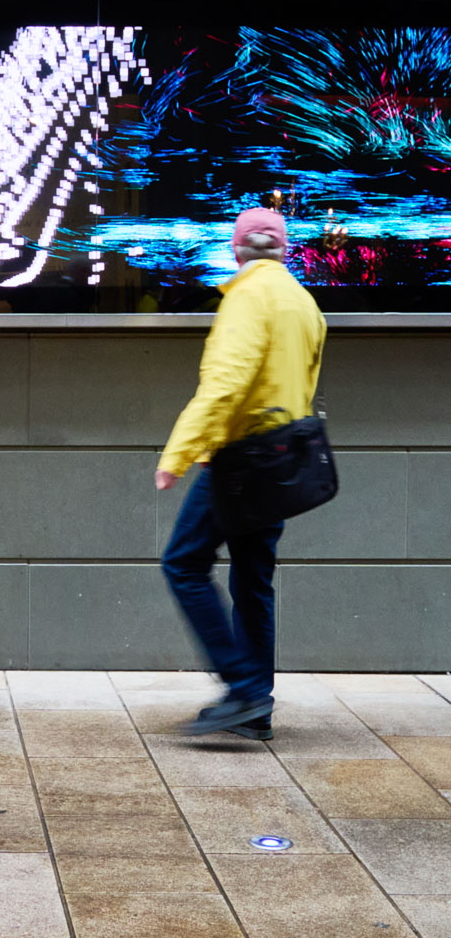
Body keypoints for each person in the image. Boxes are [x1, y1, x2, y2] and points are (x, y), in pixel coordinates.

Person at [154, 207, 325, 740]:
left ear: (235, 250)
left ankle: (244, 688)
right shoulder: (304, 302)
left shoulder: (246, 298)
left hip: (239, 459)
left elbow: (224, 386)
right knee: (253, 580)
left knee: (183, 563)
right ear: (285, 249)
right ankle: (258, 709)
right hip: (281, 461)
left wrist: (177, 455)